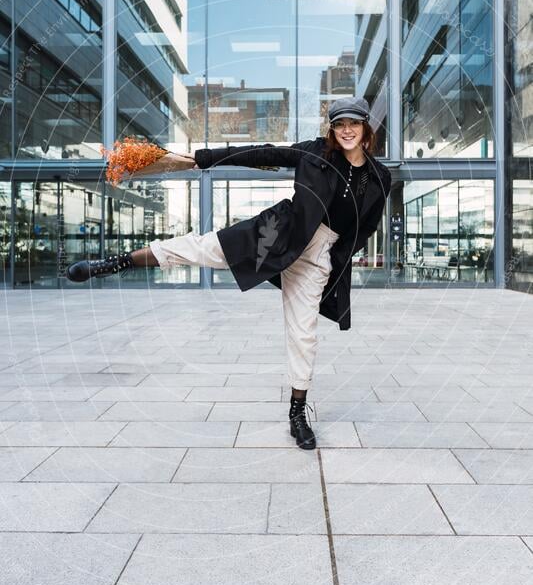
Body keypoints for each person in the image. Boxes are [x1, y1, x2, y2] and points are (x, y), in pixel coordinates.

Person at [66, 97, 392, 450]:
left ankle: (297, 413)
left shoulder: (380, 177)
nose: (346, 130)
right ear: (332, 129)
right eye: (339, 124)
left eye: (353, 124)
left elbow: (368, 226)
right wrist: (201, 159)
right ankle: (119, 262)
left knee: (304, 335)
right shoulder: (315, 154)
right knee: (203, 247)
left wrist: (335, 256)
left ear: (365, 129)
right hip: (278, 235)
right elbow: (262, 153)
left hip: (317, 258)